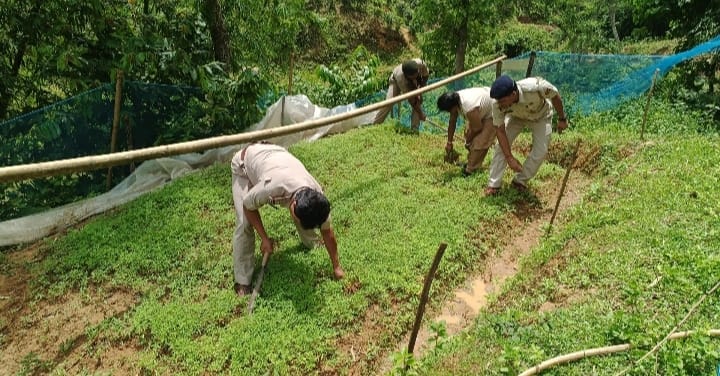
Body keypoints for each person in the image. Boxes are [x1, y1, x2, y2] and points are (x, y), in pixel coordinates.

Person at [230, 142, 345, 297]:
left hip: (276, 154)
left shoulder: (317, 198)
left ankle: (312, 243)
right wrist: (264, 238)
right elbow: (247, 206)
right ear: (294, 204)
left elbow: (327, 231)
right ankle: (242, 281)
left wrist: (336, 267)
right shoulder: (271, 188)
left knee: (307, 219)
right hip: (244, 165)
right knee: (244, 223)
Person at [484, 75, 568, 195]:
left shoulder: (536, 87)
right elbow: (500, 131)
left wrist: (562, 119)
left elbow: (555, 96)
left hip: (541, 116)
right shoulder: (497, 104)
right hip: (516, 117)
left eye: (502, 101)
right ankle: (494, 185)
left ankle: (520, 181)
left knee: (541, 151)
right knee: (500, 146)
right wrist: (510, 158)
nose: (500, 104)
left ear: (513, 94)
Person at [436, 87, 497, 176]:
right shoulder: (454, 99)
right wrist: (449, 142)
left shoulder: (468, 106)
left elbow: (478, 128)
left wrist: (468, 140)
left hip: (493, 111)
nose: (448, 112)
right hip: (480, 110)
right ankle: (472, 162)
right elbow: (452, 122)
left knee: (479, 142)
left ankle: (470, 170)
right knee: (469, 135)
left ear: (453, 106)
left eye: (448, 110)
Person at [373, 58, 430, 132]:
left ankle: (415, 130)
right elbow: (412, 100)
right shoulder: (401, 78)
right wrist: (421, 114)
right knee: (388, 103)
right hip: (395, 81)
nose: (415, 77)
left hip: (412, 81)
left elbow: (426, 75)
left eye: (417, 74)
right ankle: (375, 124)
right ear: (408, 76)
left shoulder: (420, 63)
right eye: (413, 76)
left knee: (418, 101)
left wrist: (421, 88)